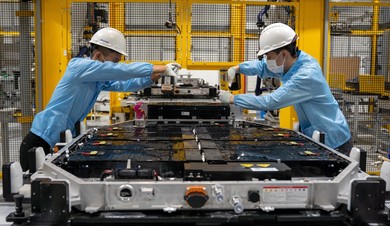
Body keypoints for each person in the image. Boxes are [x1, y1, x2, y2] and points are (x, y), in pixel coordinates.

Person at [20, 27, 181, 171]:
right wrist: (160, 66)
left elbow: (124, 85)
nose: (116, 65)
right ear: (98, 55)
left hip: (60, 141)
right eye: (115, 60)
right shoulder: (78, 67)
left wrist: (155, 76)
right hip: (39, 143)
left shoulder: (95, 79)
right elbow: (121, 71)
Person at [219, 22, 352, 156]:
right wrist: (238, 68)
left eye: (269, 57)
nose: (267, 60)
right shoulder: (291, 63)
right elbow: (262, 67)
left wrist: (232, 99)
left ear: (283, 54)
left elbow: (270, 102)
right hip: (317, 134)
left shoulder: (306, 75)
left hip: (334, 140)